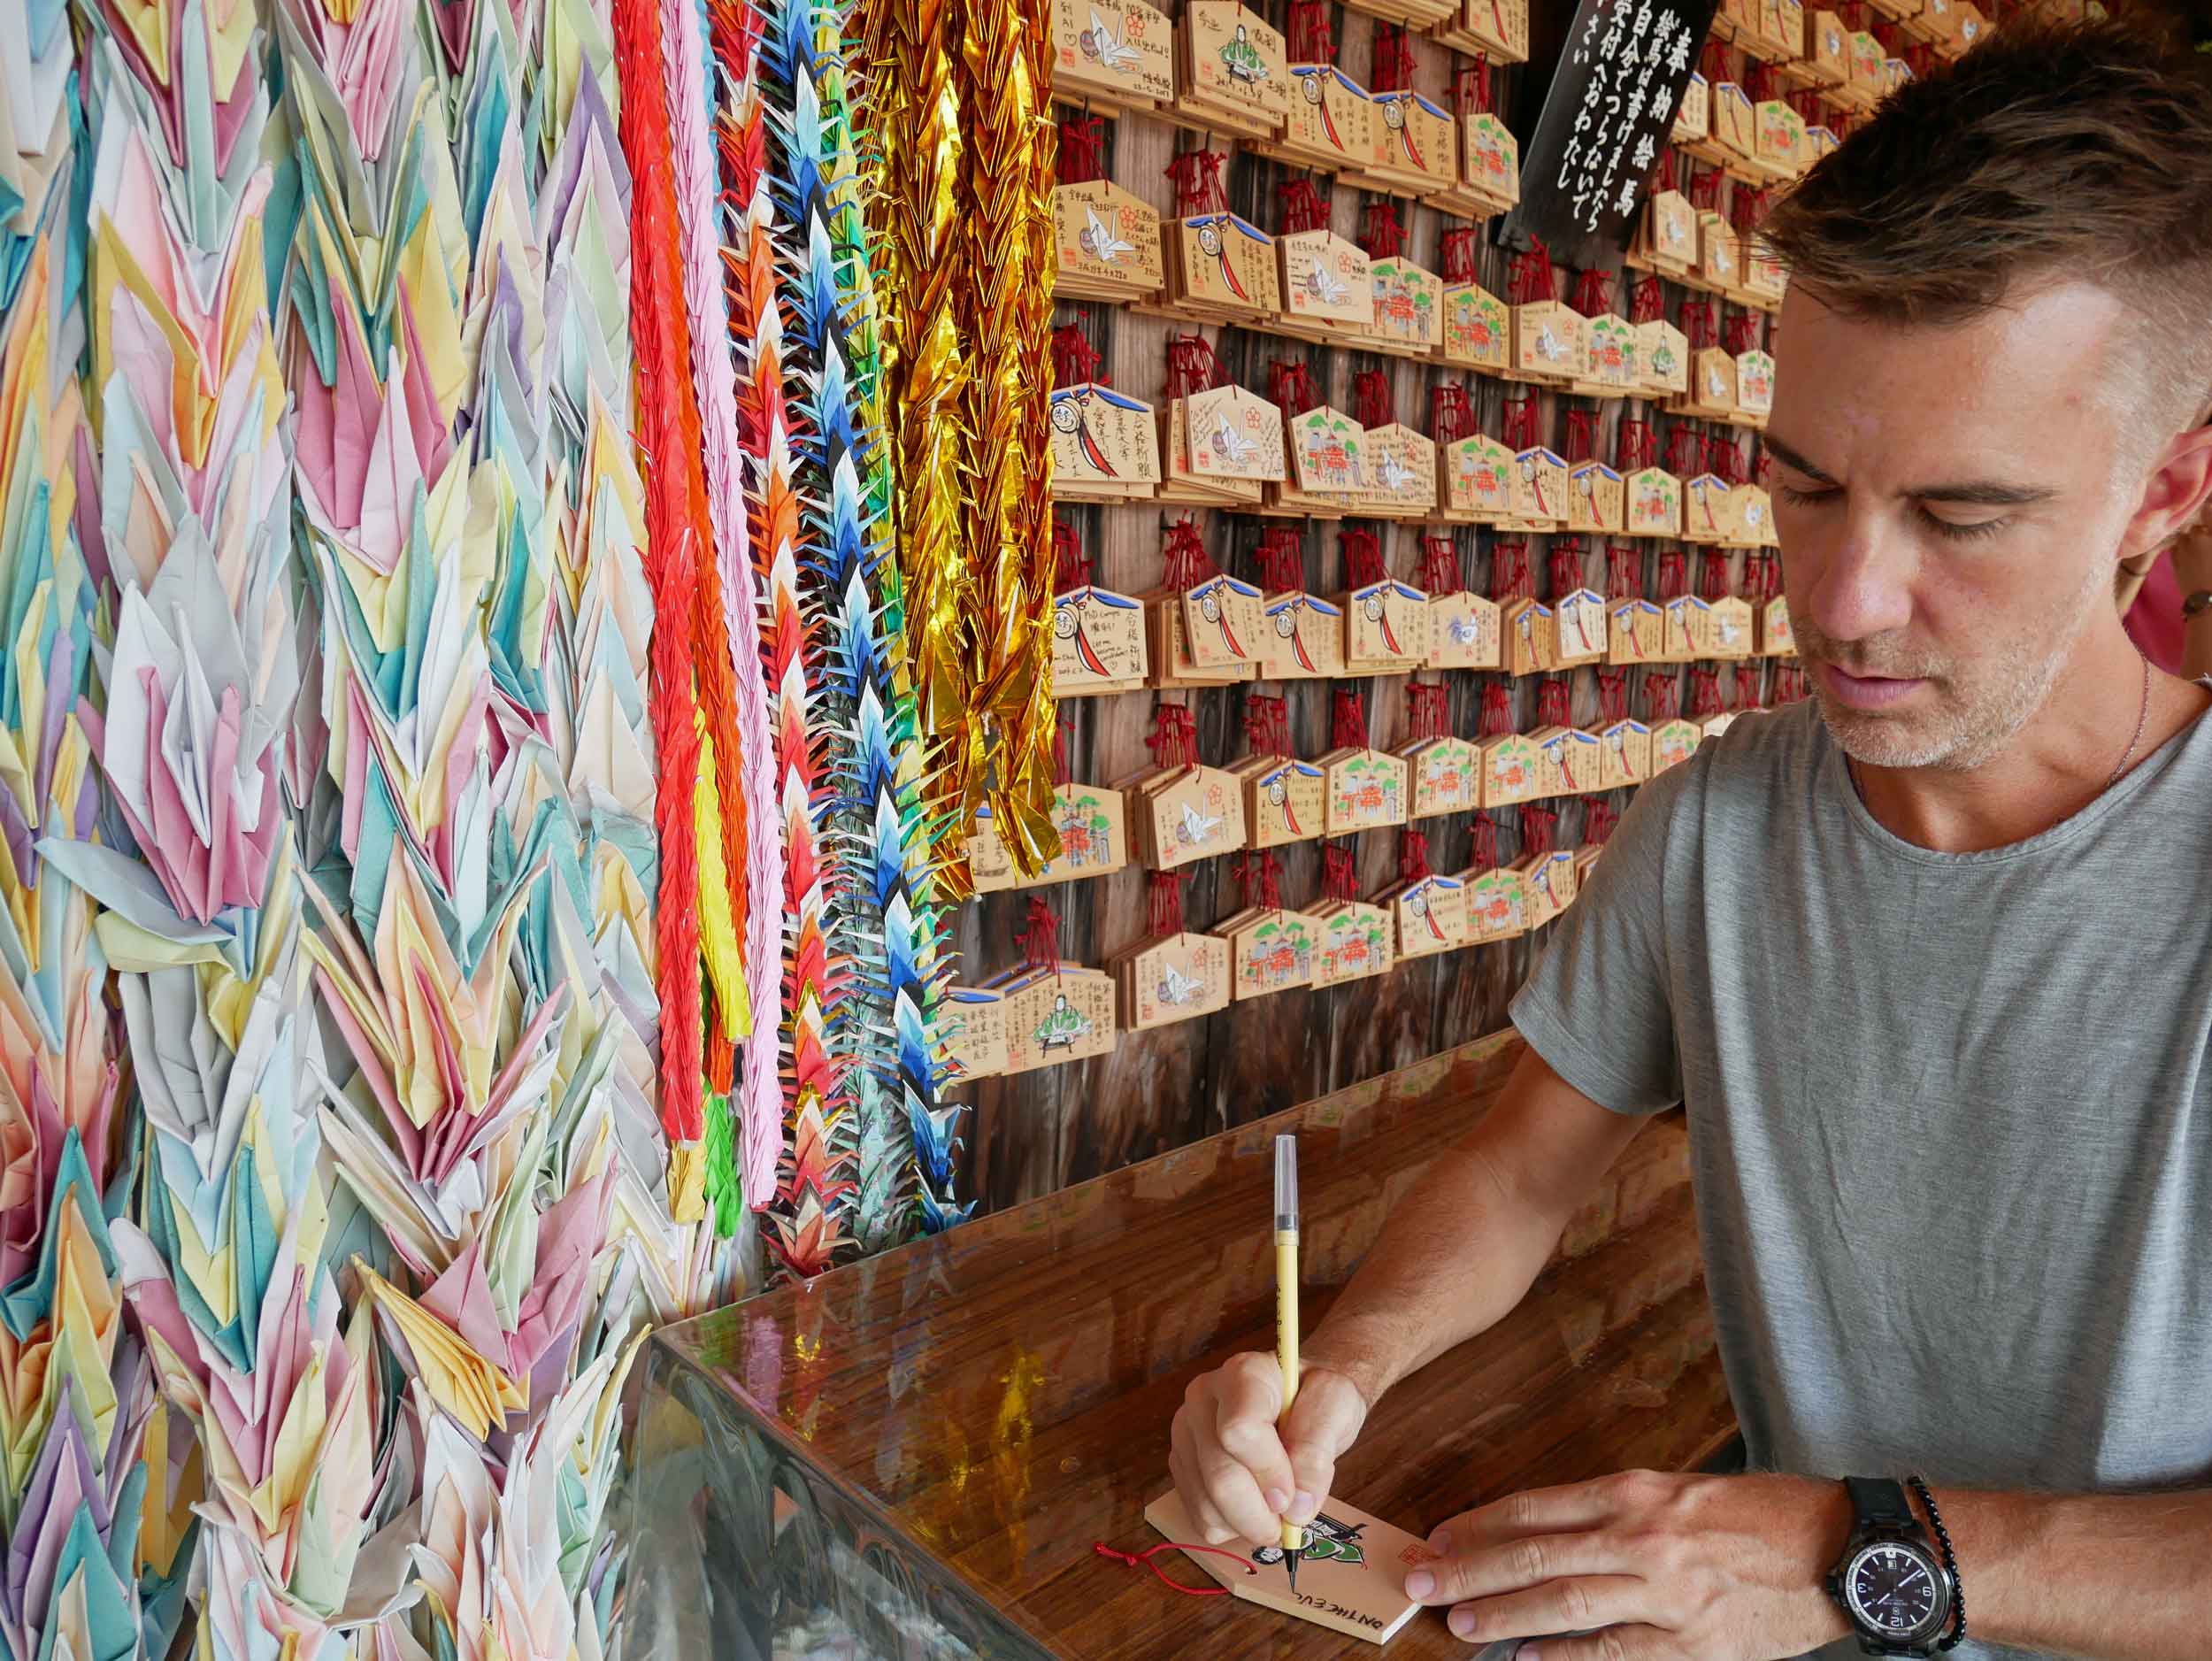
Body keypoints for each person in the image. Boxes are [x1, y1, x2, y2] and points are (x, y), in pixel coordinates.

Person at [1169, 19, 2212, 1661]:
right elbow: (1518, 1175)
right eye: (1805, 488)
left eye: (1960, 514)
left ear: (2165, 492)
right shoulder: (1717, 826)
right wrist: (1332, 1376)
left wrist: (1849, 1546)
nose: (1846, 602)